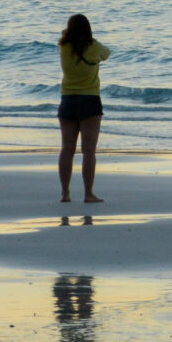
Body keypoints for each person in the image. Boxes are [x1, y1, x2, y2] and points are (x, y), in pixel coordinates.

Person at [56, 13, 110, 203]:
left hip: (68, 100)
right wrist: (90, 39)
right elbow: (107, 53)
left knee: (67, 149)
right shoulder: (94, 47)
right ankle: (88, 193)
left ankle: (65, 193)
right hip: (90, 100)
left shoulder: (63, 46)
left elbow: (63, 34)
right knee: (88, 151)